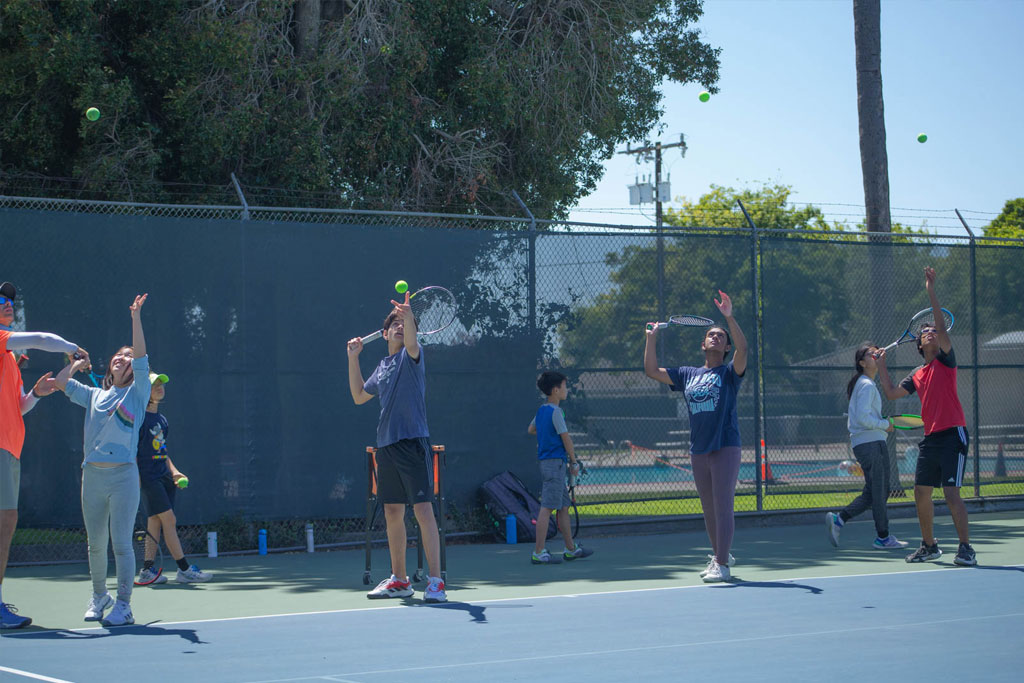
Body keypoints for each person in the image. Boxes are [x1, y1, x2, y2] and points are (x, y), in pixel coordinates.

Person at [54, 294, 152, 626]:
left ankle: (123, 605)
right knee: (95, 544)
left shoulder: (138, 393)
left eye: (128, 357)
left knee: (121, 543)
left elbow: (141, 357)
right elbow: (61, 383)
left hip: (124, 477)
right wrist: (77, 365)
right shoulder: (94, 395)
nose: (123, 359)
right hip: (92, 477)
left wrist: (135, 318)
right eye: (118, 355)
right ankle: (100, 596)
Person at [346, 291, 446, 603]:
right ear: (386, 333)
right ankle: (400, 580)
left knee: (423, 510)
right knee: (391, 511)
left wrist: (407, 313)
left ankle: (436, 581)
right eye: (396, 324)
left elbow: (413, 341)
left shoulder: (411, 357)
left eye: (406, 323)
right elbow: (360, 396)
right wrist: (353, 358)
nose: (401, 327)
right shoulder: (384, 365)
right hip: (386, 446)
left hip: (413, 442)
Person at [644, 290, 747, 583]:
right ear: (703, 344)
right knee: (708, 508)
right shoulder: (687, 374)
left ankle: (723, 564)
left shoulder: (730, 373)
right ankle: (717, 557)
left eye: (721, 336)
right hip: (698, 449)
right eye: (712, 335)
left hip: (726, 444)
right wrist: (651, 338)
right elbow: (651, 370)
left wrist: (729, 316)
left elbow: (745, 349)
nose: (716, 337)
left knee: (723, 502)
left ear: (726, 348)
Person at [876, 267, 976, 566]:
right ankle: (929, 546)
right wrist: (881, 365)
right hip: (931, 439)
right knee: (921, 492)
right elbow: (892, 393)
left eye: (933, 330)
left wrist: (931, 290)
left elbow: (943, 329)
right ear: (919, 344)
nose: (930, 332)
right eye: (925, 332)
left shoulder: (946, 360)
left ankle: (966, 548)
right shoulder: (918, 373)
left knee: (950, 493)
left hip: (953, 434)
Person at [0, 281, 85, 629]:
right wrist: (71, 348)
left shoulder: (10, 359)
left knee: (6, 524)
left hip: (10, 447)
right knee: (4, 524)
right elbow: (39, 339)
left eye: (10, 301)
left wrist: (37, 392)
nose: (8, 304)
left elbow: (18, 406)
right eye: (1, 300)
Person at [825, 343, 907, 550]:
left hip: (870, 442)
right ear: (862, 363)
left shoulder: (865, 384)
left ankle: (839, 520)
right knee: (879, 491)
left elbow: (865, 416)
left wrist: (881, 423)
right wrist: (884, 424)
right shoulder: (867, 385)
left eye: (877, 352)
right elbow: (862, 418)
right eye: (872, 354)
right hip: (870, 444)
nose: (876, 354)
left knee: (877, 490)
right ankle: (883, 536)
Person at [135, 371, 212, 586]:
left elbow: (163, 452)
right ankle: (185, 570)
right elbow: (133, 452)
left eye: (161, 383)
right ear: (144, 391)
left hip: (164, 478)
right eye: (154, 384)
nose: (160, 387)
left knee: (155, 522)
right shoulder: (139, 419)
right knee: (169, 520)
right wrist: (136, 479)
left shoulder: (161, 420)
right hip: (148, 477)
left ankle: (147, 571)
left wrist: (175, 472)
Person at [526, 371, 593, 564]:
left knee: (563, 507)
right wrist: (574, 462)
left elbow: (531, 429)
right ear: (556, 390)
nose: (566, 390)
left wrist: (546, 435)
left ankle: (570, 549)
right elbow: (566, 438)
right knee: (546, 509)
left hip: (551, 464)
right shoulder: (556, 412)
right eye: (564, 386)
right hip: (555, 464)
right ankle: (538, 552)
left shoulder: (542, 411)